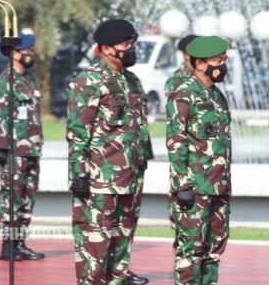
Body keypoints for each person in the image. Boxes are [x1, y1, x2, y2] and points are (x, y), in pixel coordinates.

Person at [67, 19, 151, 284]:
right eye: (126, 44)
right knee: (95, 240)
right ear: (105, 48)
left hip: (131, 175)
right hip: (100, 178)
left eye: (132, 43)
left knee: (123, 236)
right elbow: (78, 132)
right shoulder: (88, 80)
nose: (131, 48)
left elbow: (139, 124)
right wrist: (79, 174)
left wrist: (143, 159)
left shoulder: (131, 80)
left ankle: (117, 277)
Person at [166, 36, 231, 285]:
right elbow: (176, 142)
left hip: (219, 186)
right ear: (201, 64)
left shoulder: (217, 96)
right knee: (191, 250)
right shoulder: (184, 95)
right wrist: (182, 185)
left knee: (214, 249)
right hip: (194, 189)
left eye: (224, 60)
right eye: (218, 61)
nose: (222, 65)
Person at [0, 32, 45, 261]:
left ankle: (20, 242)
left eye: (31, 52)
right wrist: (1, 147)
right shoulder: (6, 81)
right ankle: (8, 244)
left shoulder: (27, 81)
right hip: (13, 151)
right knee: (11, 198)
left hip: (30, 149)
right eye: (26, 52)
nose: (30, 55)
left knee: (26, 197)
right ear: (15, 54)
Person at [164, 34, 198, 250]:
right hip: (186, 157)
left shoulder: (204, 81)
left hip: (207, 161)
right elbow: (177, 129)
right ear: (187, 55)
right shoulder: (178, 82)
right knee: (184, 208)